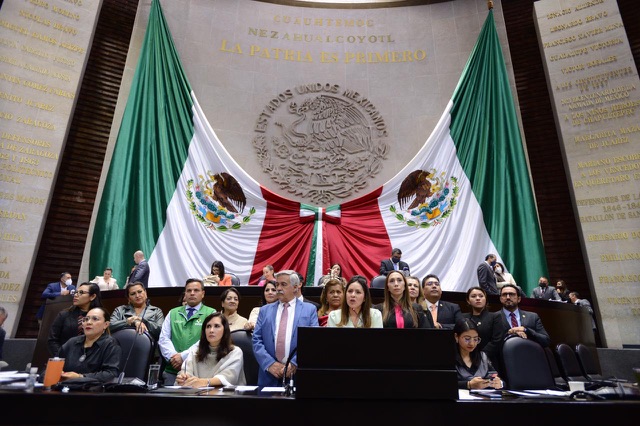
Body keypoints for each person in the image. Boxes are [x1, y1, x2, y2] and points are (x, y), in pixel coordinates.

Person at [252, 270, 319, 387]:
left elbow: (313, 341)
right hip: (269, 376)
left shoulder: (309, 310)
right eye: (277, 284)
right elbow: (256, 339)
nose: (278, 288)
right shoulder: (264, 310)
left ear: (295, 287)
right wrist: (270, 364)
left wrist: (294, 364)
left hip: (297, 375)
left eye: (283, 284)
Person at [158, 278, 216, 385]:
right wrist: (174, 358)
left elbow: (207, 340)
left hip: (199, 371)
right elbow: (163, 339)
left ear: (203, 294)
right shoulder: (173, 313)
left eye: (196, 290)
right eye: (189, 290)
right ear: (185, 293)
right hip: (172, 370)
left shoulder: (211, 313)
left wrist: (183, 357)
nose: (192, 293)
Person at [176, 312, 246, 387]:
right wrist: (183, 378)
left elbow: (229, 377)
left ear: (225, 330)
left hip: (227, 394)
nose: (211, 330)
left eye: (216, 326)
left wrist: (204, 382)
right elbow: (186, 371)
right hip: (197, 393)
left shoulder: (235, 352)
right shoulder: (195, 351)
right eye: (208, 326)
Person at [54, 307, 121, 383]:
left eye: (95, 319)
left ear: (106, 325)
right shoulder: (72, 342)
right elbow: (53, 363)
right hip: (65, 386)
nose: (88, 322)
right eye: (86, 319)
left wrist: (80, 377)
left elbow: (110, 374)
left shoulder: (111, 344)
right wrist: (58, 373)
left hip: (94, 389)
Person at [47, 282, 102, 357]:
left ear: (92, 296)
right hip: (64, 358)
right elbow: (52, 340)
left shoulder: (100, 317)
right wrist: (62, 357)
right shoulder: (64, 315)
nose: (76, 295)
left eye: (81, 292)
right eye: (76, 292)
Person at [454, 318, 503, 390]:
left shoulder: (482, 356)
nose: (472, 343)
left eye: (475, 339)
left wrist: (499, 383)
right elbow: (443, 383)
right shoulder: (448, 357)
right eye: (467, 339)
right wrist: (468, 385)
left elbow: (494, 376)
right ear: (456, 337)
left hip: (482, 395)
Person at [462, 286, 502, 369]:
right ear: (468, 300)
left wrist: (480, 355)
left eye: (481, 296)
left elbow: (496, 341)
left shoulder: (495, 317)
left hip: (488, 360)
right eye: (473, 296)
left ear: (486, 299)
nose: (478, 298)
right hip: (466, 359)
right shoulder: (462, 317)